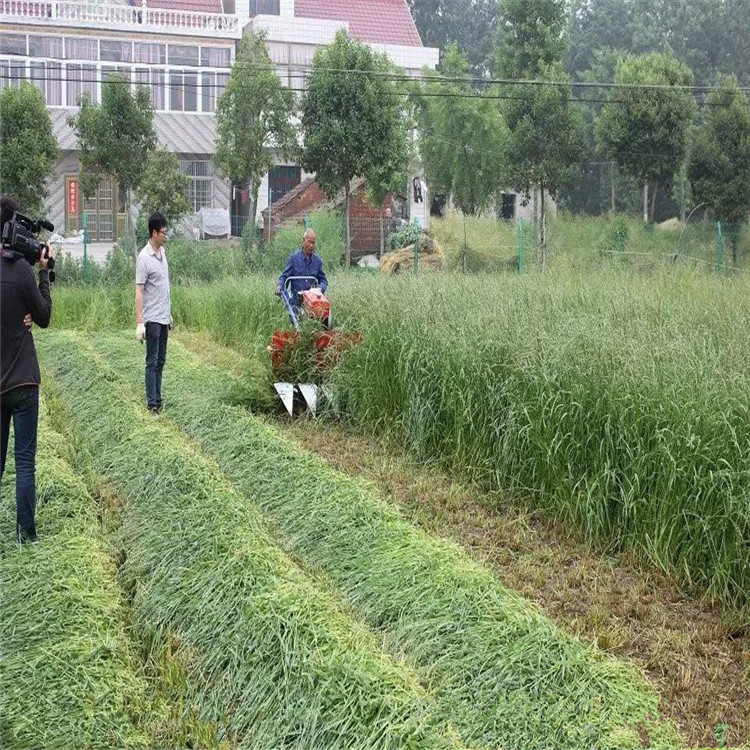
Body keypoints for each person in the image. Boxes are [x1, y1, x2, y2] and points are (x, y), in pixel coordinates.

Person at [0, 195, 55, 544]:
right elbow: (45, 315)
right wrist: (44, 276)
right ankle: (26, 536)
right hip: (23, 380)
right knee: (24, 463)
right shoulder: (21, 271)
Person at [135, 212, 172, 414]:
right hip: (152, 319)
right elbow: (139, 291)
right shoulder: (144, 258)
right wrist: (140, 322)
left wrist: (170, 313)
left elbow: (165, 287)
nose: (166, 235)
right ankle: (152, 403)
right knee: (152, 361)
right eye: (163, 232)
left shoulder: (162, 254)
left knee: (161, 360)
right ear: (154, 232)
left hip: (163, 316)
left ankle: (158, 396)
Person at [276, 228, 328, 311]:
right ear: (303, 241)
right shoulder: (293, 259)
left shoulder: (317, 262)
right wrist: (279, 286)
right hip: (295, 303)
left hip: (312, 304)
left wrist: (320, 289)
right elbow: (284, 277)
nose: (311, 245)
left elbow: (323, 280)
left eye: (313, 243)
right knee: (294, 319)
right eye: (309, 242)